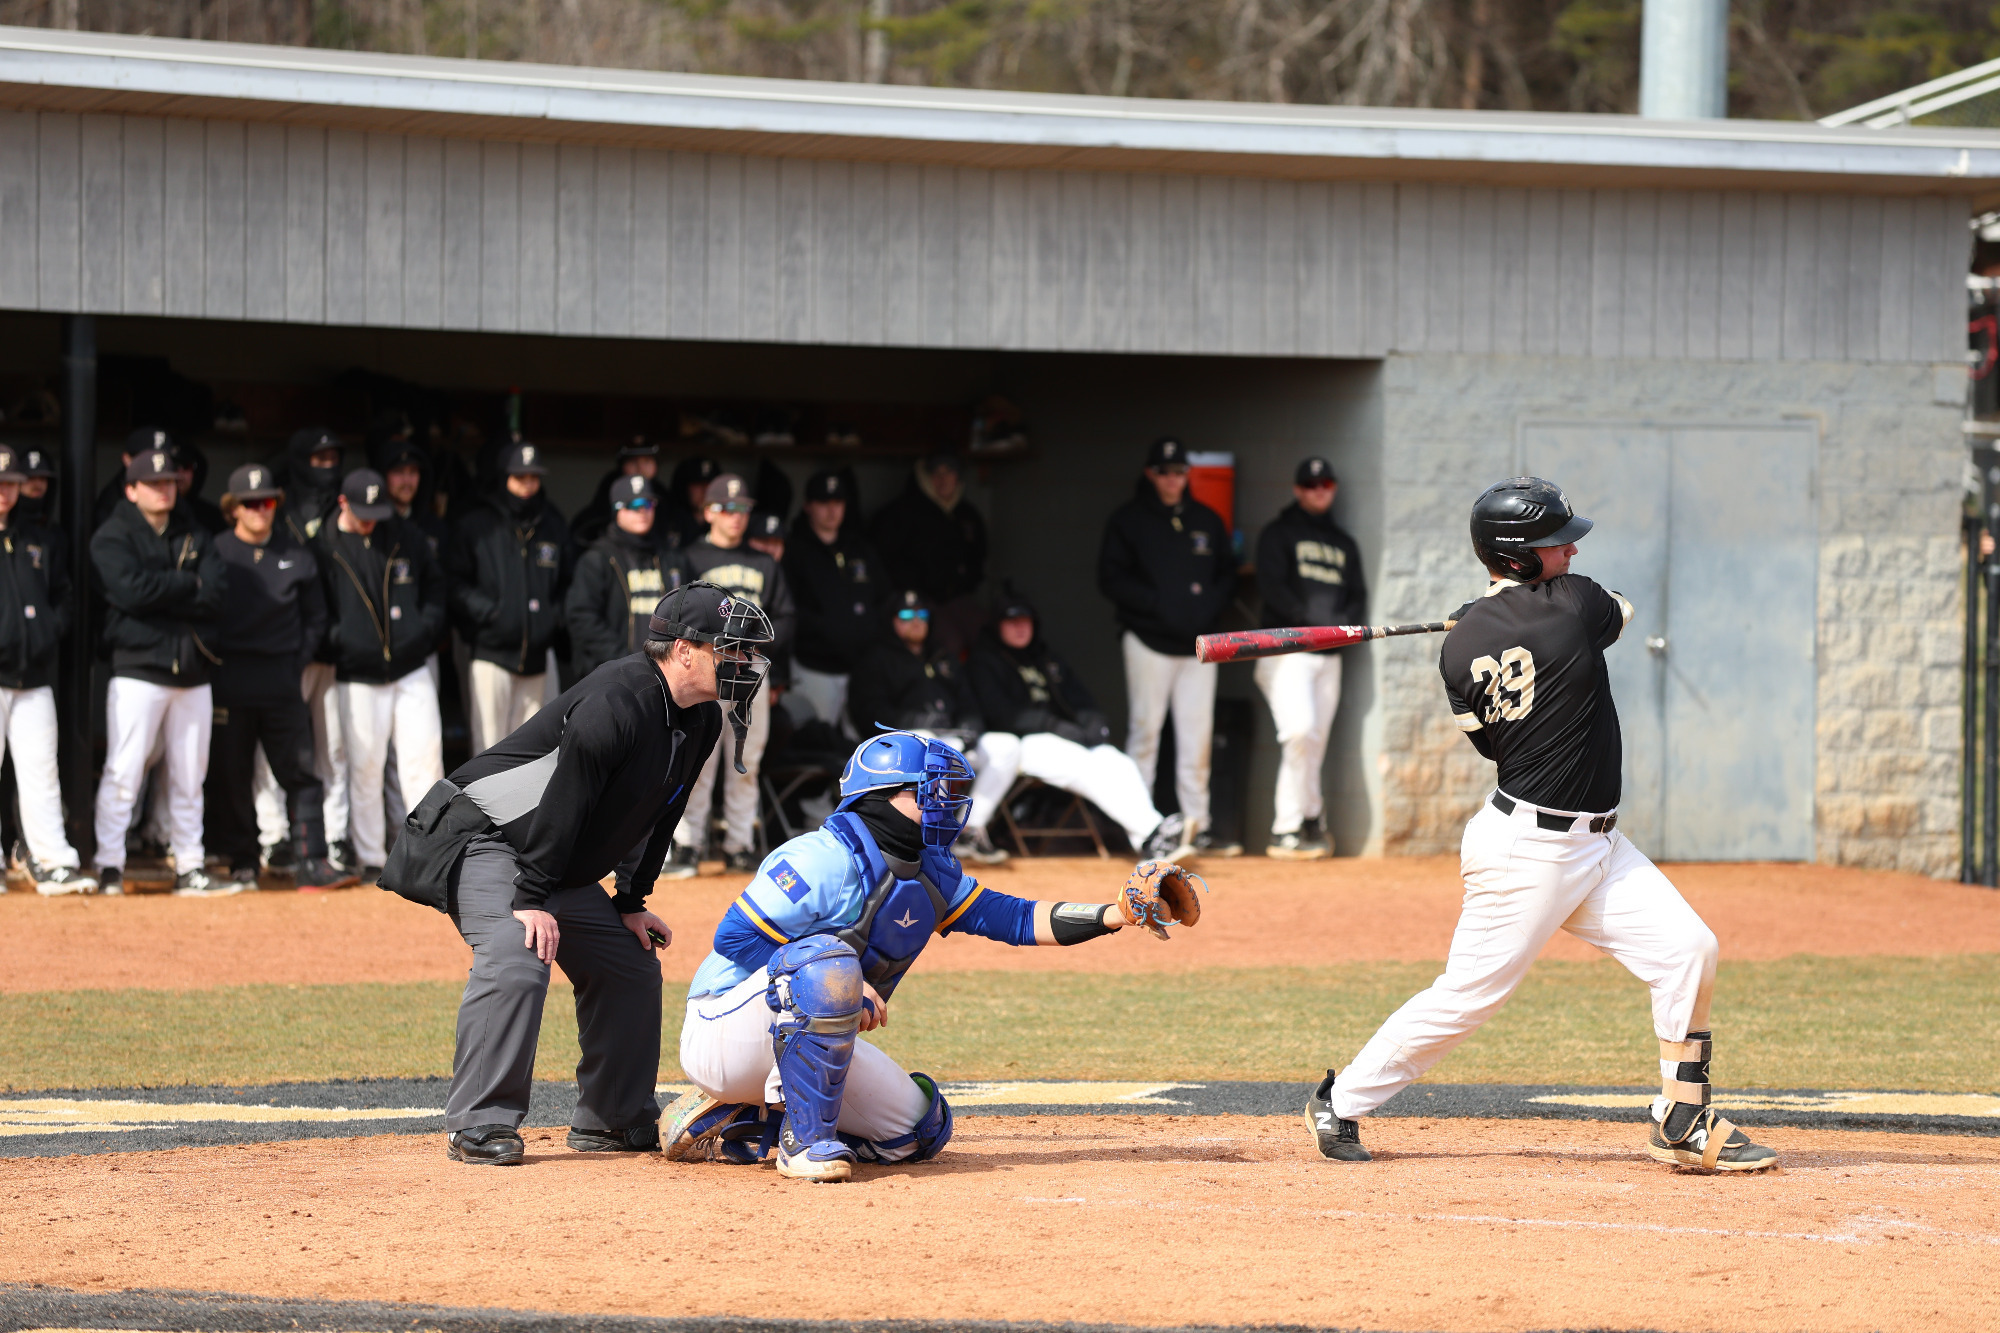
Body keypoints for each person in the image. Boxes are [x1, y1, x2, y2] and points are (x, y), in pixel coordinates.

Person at [1306, 477, 1776, 1172]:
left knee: (1688, 948)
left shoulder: (1457, 650)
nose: (1573, 548)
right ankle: (1339, 1100)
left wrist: (1491, 617)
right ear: (1520, 555)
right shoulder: (1578, 603)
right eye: (1557, 542)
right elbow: (1619, 608)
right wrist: (1514, 612)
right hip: (1526, 853)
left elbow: (1492, 743)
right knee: (1469, 996)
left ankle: (1681, 1116)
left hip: (1596, 844)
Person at [661, 730, 1162, 1182]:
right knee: (829, 967)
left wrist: (1114, 914)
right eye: (929, 792)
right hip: (723, 1027)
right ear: (881, 798)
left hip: (806, 1029)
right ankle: (804, 1145)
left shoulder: (932, 870)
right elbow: (735, 938)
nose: (945, 803)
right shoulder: (819, 857)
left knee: (918, 1131)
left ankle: (742, 1115)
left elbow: (1015, 918)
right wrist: (840, 983)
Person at [392, 583, 765, 1166]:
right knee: (518, 951)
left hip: (550, 857)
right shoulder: (617, 701)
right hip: (483, 839)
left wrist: (630, 900)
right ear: (685, 650)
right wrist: (532, 896)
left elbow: (661, 814)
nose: (744, 664)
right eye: (732, 651)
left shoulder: (700, 721)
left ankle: (614, 1118)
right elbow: (564, 802)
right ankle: (480, 1123)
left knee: (630, 962)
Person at [203, 464, 348, 893]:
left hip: (282, 679)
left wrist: (296, 661)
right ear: (233, 509)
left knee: (300, 772)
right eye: (250, 503)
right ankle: (244, 860)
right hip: (231, 678)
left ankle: (311, 860)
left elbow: (316, 617)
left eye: (267, 502)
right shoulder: (217, 552)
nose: (260, 510)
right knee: (232, 773)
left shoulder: (298, 553)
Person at [90, 445, 226, 896]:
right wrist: (185, 585)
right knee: (124, 770)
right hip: (138, 668)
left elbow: (216, 591)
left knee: (190, 776)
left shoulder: (194, 532)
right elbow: (130, 592)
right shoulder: (112, 534)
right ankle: (109, 862)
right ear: (131, 489)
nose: (164, 490)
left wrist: (165, 590)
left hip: (191, 672)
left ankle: (189, 864)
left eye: (169, 482)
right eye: (153, 483)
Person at [966, 588, 1184, 866]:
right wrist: (1055, 725)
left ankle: (1150, 838)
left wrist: (1094, 726)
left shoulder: (1045, 657)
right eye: (1011, 621)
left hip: (1064, 737)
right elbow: (1001, 714)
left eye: (1025, 620)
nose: (1020, 627)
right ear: (997, 625)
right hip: (1023, 742)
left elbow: (1082, 701)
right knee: (1085, 768)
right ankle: (1154, 833)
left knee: (1116, 761)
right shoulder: (985, 660)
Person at [1098, 436, 1233, 860]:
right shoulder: (1129, 520)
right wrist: (1159, 605)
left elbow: (1226, 577)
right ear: (1151, 474)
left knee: (1197, 738)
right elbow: (1111, 578)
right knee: (1146, 734)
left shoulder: (1207, 520)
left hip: (1198, 647)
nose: (1172, 480)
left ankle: (1200, 825)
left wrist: (1205, 611)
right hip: (1148, 641)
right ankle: (1142, 829)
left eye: (1179, 472)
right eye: (1164, 472)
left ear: (1186, 475)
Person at [314, 469, 447, 882]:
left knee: (424, 762)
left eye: (376, 510)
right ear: (342, 503)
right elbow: (317, 611)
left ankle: (428, 857)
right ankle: (372, 857)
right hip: (356, 672)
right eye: (361, 511)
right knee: (365, 767)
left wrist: (422, 633)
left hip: (410, 665)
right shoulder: (322, 545)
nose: (371, 519)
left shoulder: (404, 534)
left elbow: (435, 589)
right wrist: (342, 642)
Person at [673, 473, 796, 875]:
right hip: (706, 674)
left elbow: (786, 618)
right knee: (698, 760)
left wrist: (752, 643)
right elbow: (677, 615)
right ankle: (688, 843)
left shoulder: (764, 563)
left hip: (751, 675)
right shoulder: (689, 558)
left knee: (746, 763)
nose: (735, 516)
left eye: (742, 508)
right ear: (708, 511)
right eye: (726, 508)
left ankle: (739, 843)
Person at [1253, 457, 1367, 860]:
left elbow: (1357, 597)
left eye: (1326, 484)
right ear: (1298, 489)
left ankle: (1310, 820)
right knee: (1299, 733)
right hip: (1287, 653)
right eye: (1311, 484)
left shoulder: (1344, 543)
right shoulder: (1277, 534)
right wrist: (1313, 626)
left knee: (1313, 742)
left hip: (1329, 656)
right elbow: (1273, 589)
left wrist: (1337, 629)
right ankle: (1286, 827)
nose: (1320, 490)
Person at [0, 445, 93, 895]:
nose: (4, 492)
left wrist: (45, 634)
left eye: (10, 484)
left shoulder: (36, 536)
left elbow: (64, 597)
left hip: (33, 675)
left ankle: (53, 860)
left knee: (41, 771)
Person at [448, 442, 573, 755]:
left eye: (533, 477)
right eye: (520, 477)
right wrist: (491, 615)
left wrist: (550, 618)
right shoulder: (477, 524)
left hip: (537, 659)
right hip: (492, 655)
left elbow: (569, 583)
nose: (528, 485)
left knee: (534, 754)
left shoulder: (551, 524)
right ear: (504, 478)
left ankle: (527, 809)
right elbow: (454, 583)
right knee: (489, 751)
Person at [276, 425, 353, 870]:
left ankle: (336, 833)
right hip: (290, 648)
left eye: (332, 459)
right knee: (279, 750)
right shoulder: (281, 506)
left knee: (334, 750)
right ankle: (275, 835)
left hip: (334, 649)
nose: (327, 468)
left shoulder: (343, 507)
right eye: (318, 460)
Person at [782, 469, 882, 734]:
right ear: (808, 506)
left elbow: (883, 599)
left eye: (837, 503)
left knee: (863, 743)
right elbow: (787, 609)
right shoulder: (794, 551)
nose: (831, 511)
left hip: (861, 669)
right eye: (823, 503)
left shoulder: (860, 549)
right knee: (816, 738)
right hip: (815, 666)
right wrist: (825, 629)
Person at [867, 452, 988, 658]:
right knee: (948, 643)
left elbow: (979, 555)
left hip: (958, 596)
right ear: (926, 477)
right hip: (920, 599)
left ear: (958, 477)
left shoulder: (967, 514)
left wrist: (966, 581)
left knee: (987, 635)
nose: (943, 479)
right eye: (936, 473)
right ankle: (942, 689)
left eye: (949, 472)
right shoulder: (902, 512)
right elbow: (884, 560)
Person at [566, 475, 682, 678]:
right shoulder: (598, 558)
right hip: (612, 675)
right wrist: (623, 659)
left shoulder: (668, 557)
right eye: (634, 504)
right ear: (617, 509)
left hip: (664, 674)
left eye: (648, 503)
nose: (642, 511)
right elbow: (581, 618)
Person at [569, 436, 661, 548]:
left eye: (647, 461)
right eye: (633, 462)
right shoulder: (604, 500)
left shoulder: (666, 500)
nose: (640, 468)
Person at [660, 456, 722, 551]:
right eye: (698, 484)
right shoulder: (669, 522)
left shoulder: (725, 522)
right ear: (684, 487)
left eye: (710, 484)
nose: (705, 490)